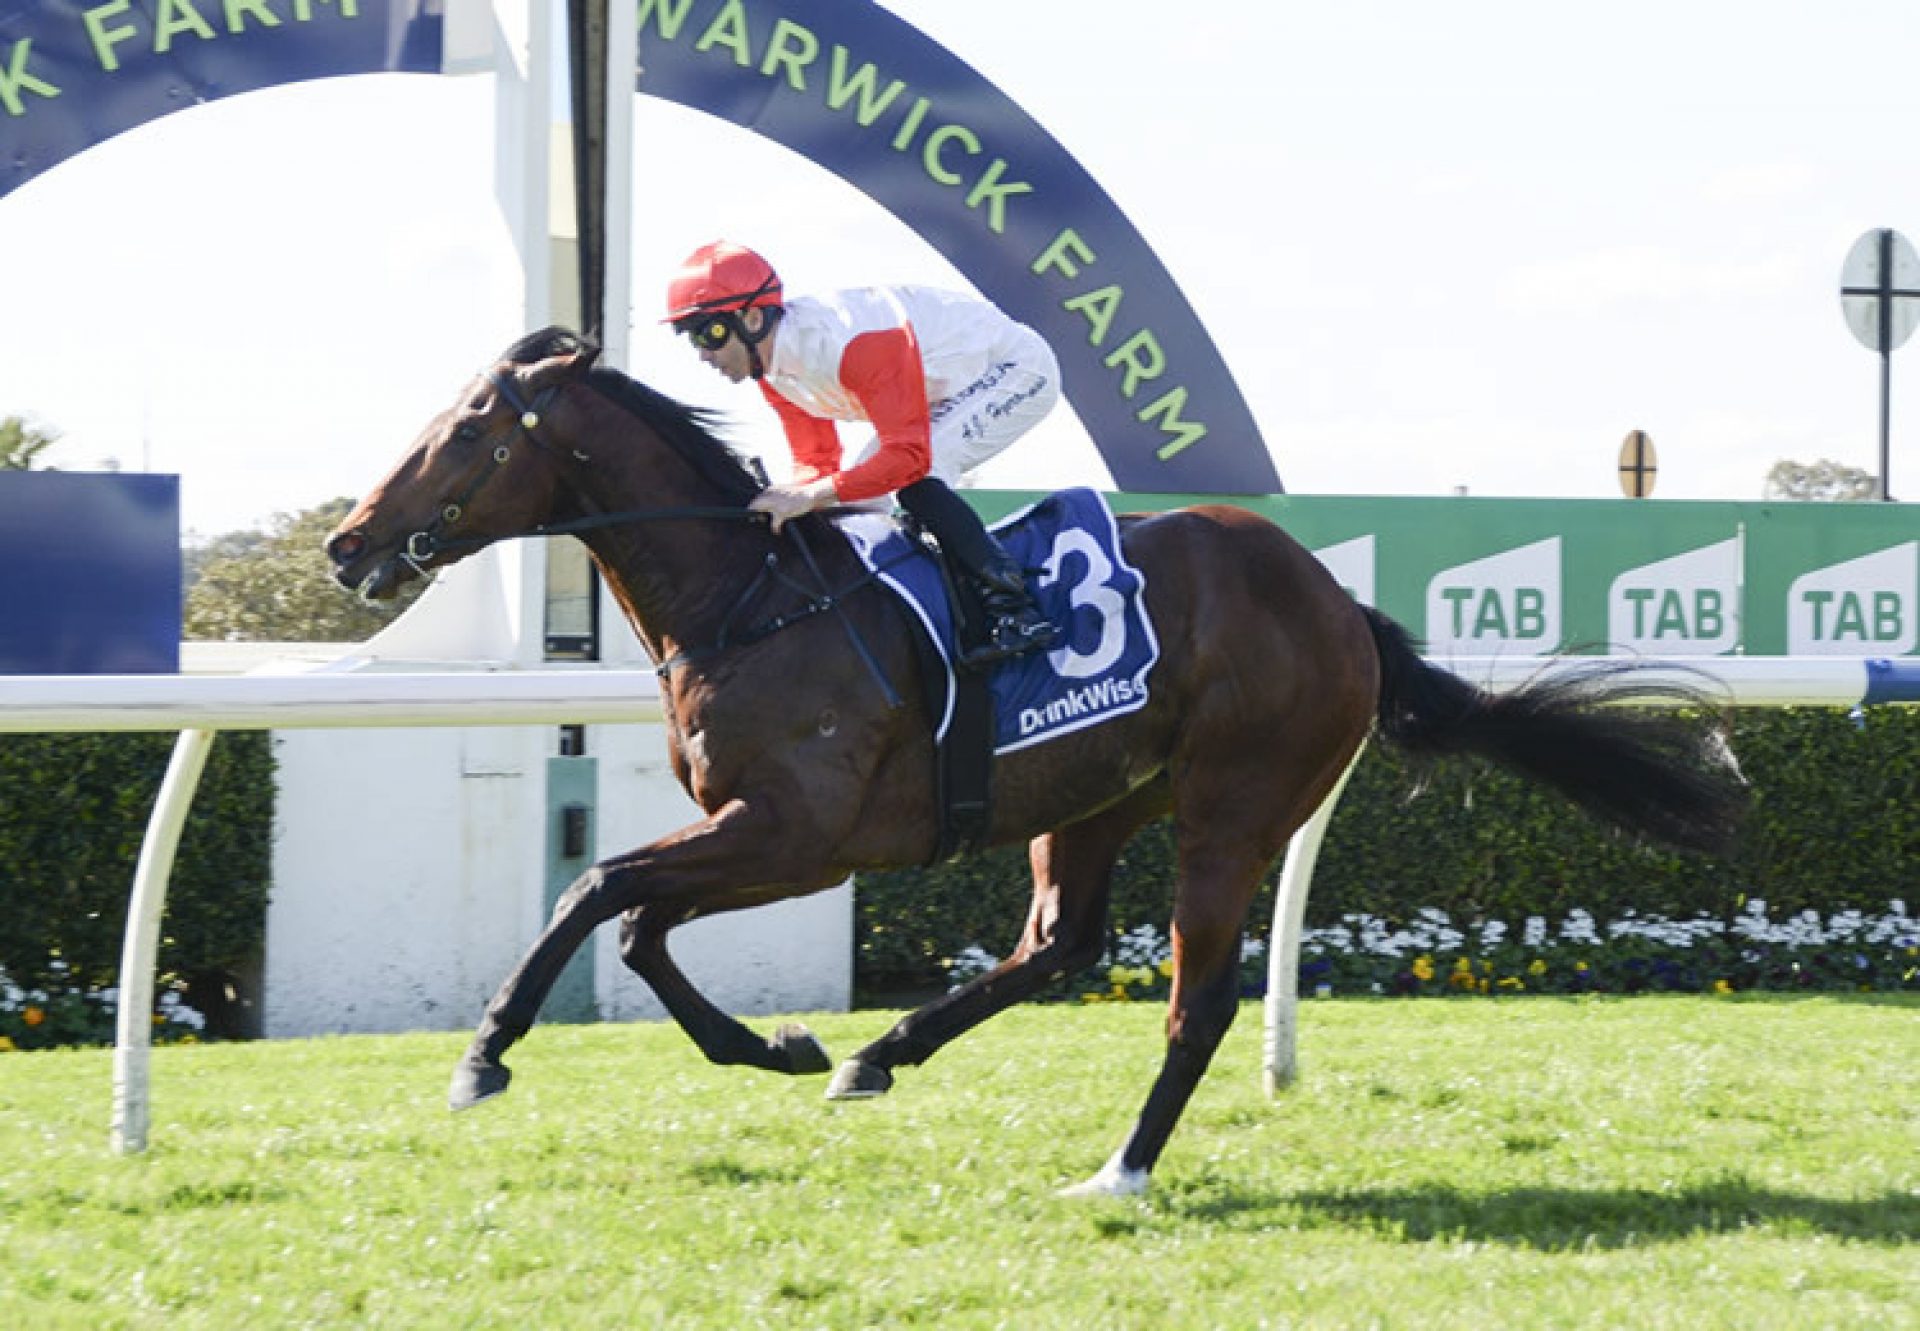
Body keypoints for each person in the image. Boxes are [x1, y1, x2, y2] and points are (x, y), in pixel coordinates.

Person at [664, 240, 1061, 667]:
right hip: (945, 390)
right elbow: (817, 463)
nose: (704, 354)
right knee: (860, 501)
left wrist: (810, 496)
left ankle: (1015, 610)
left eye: (710, 333)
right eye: (692, 339)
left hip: (1015, 370)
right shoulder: (772, 371)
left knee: (916, 479)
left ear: (753, 318)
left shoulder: (854, 343)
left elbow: (907, 458)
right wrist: (792, 504)